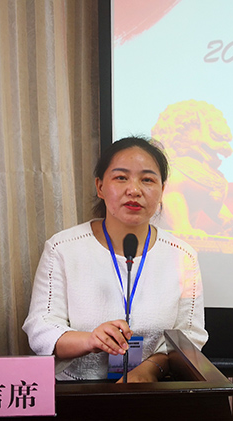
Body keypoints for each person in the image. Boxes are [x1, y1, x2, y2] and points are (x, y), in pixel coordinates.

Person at [22, 136, 208, 382]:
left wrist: (149, 370)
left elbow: (190, 336)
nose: (134, 190)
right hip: (77, 392)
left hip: (152, 392)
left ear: (162, 190)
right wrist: (90, 340)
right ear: (100, 187)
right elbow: (41, 328)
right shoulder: (63, 248)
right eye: (121, 178)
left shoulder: (182, 256)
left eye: (147, 180)